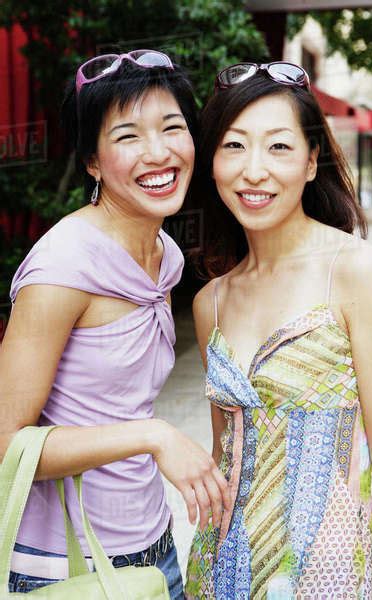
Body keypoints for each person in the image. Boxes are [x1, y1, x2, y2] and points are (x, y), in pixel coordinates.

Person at [0, 49, 229, 598]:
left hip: (154, 547)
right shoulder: (64, 267)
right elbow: (6, 443)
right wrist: (152, 436)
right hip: (65, 564)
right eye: (127, 136)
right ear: (92, 161)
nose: (158, 152)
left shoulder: (165, 255)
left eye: (172, 127)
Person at [185, 61, 372, 599]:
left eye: (278, 147)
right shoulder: (211, 300)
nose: (253, 170)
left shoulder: (355, 270)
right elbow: (222, 452)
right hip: (221, 566)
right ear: (211, 162)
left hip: (330, 573)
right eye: (233, 146)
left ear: (310, 162)